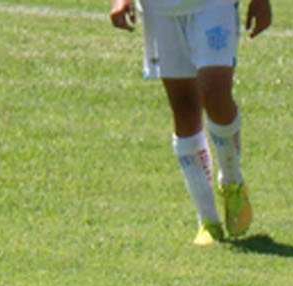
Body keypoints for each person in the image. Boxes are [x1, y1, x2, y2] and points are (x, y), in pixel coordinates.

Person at [109, 0, 272, 245]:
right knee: (184, 108)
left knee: (215, 93)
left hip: (212, 5)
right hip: (161, 10)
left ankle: (231, 179)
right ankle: (207, 220)